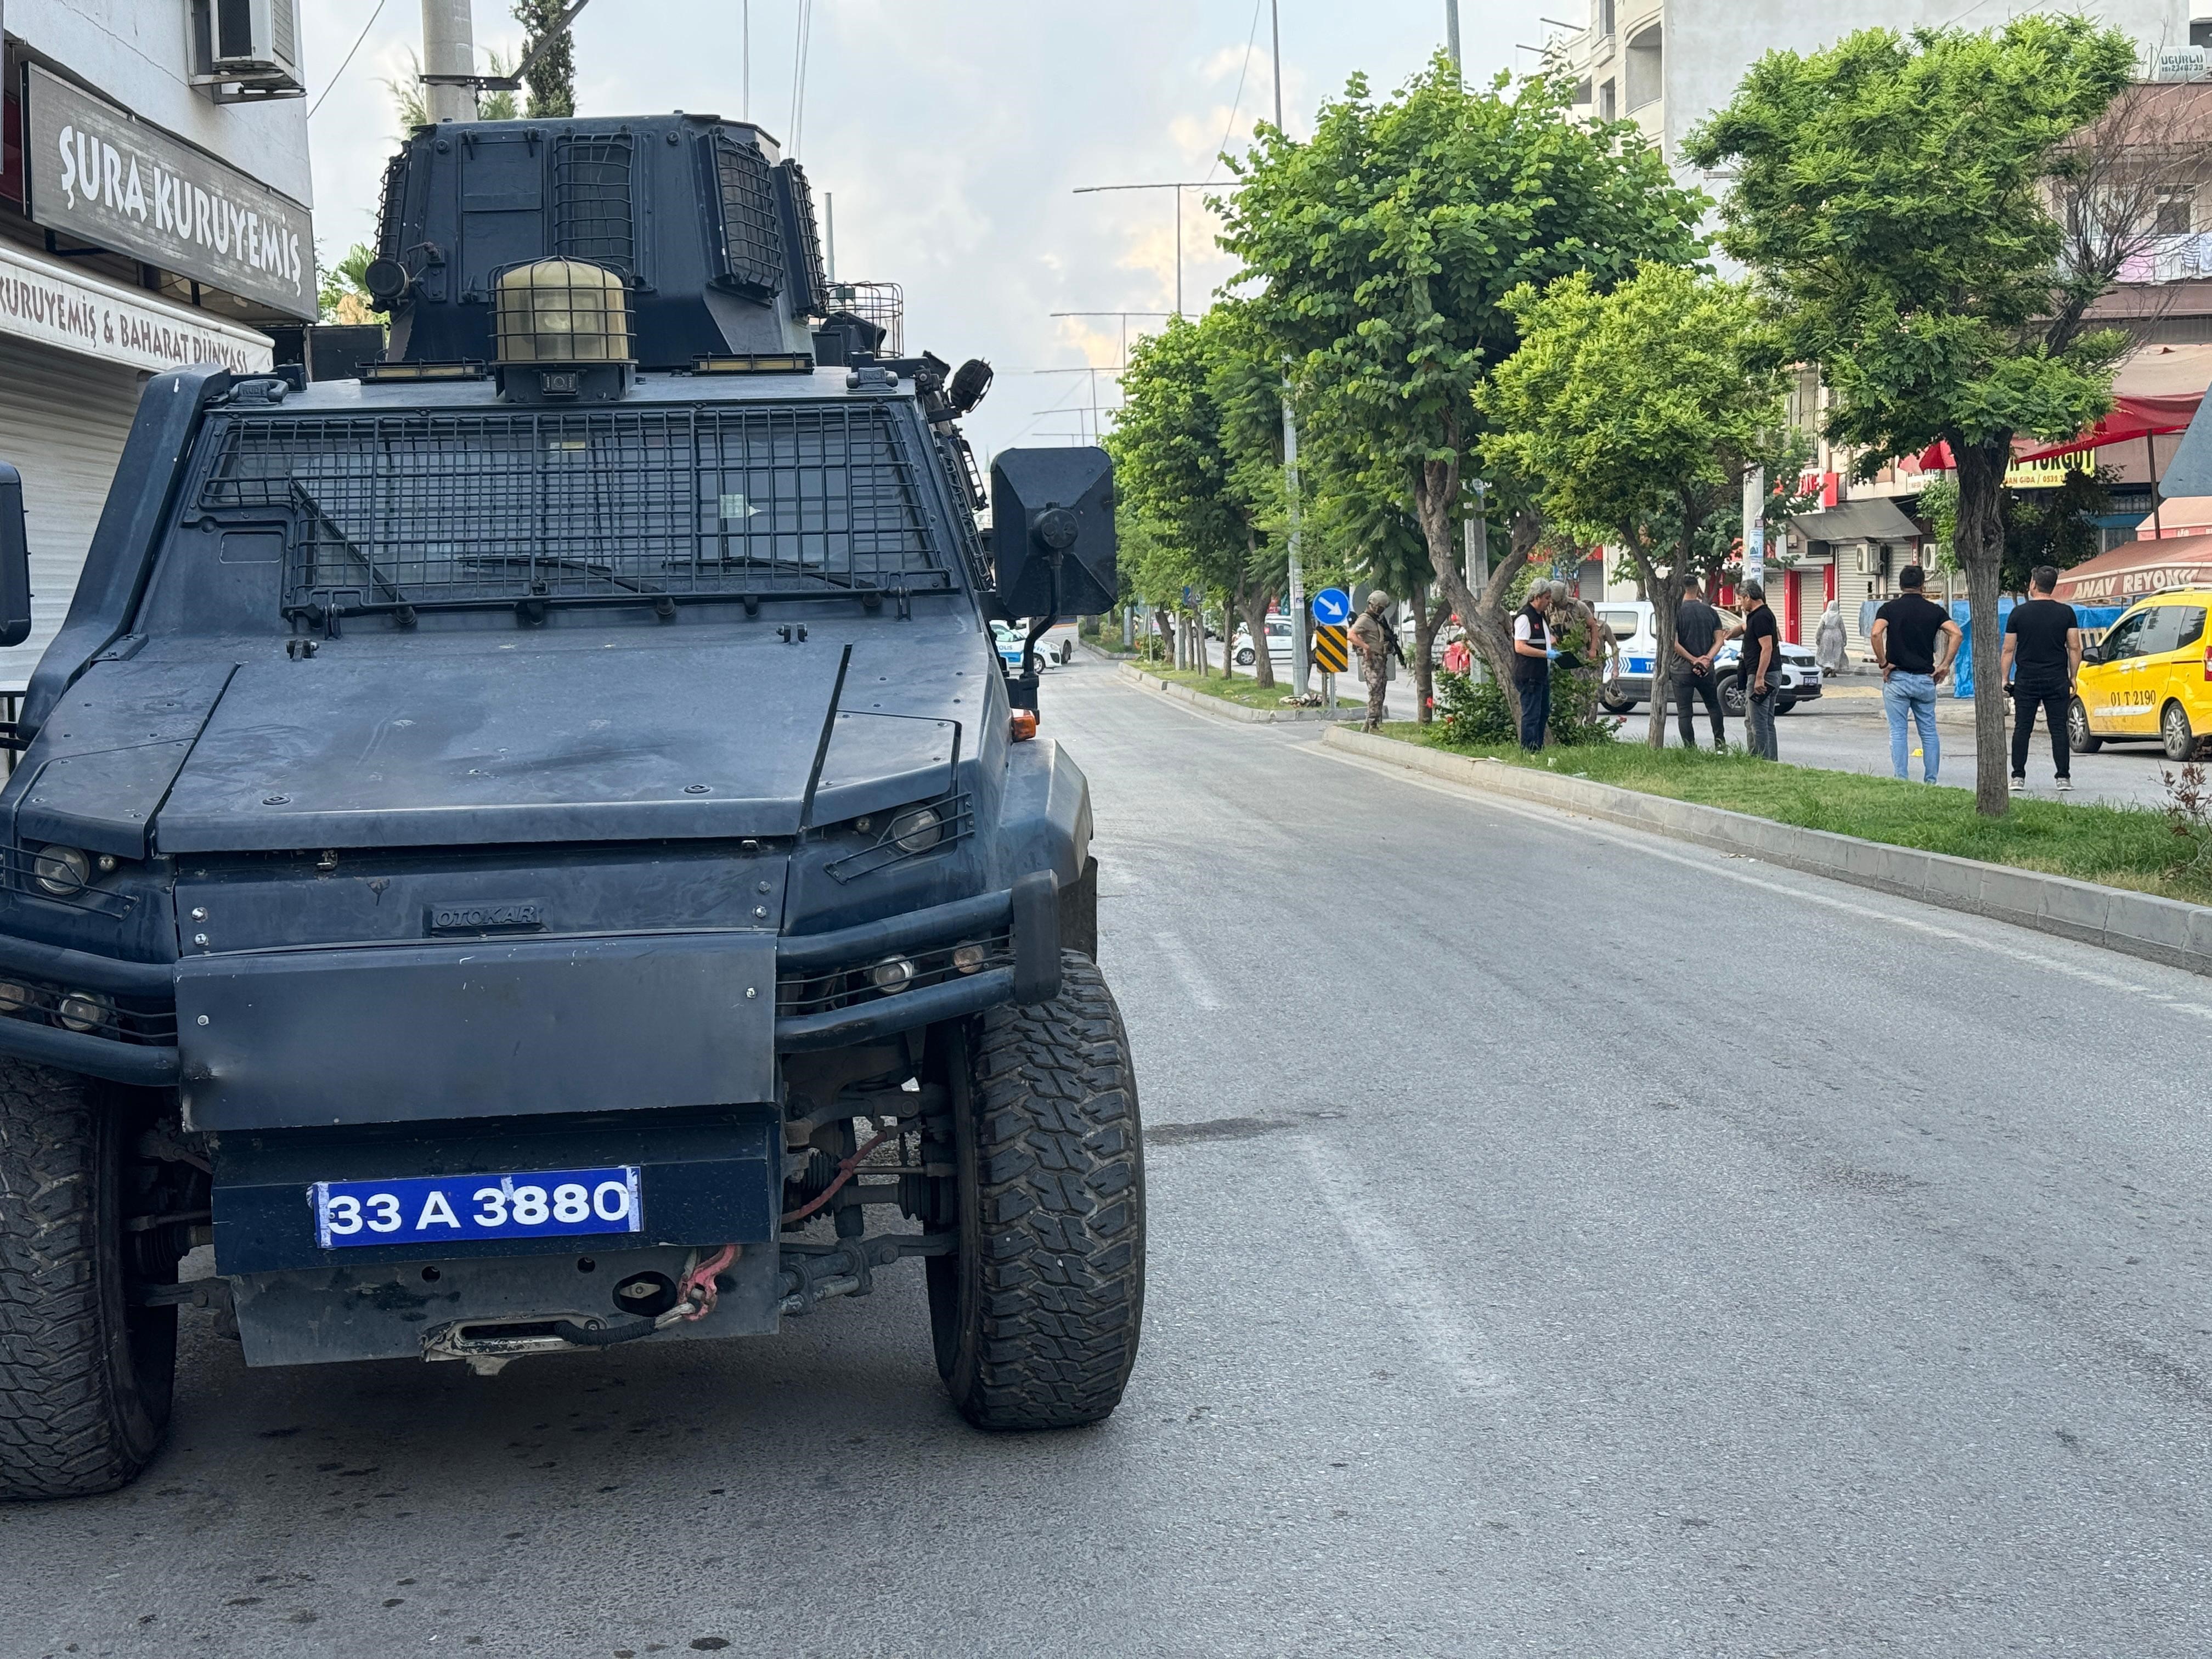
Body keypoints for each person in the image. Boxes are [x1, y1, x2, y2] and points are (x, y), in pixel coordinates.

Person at [1871, 565, 1962, 783]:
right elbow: (1957, 633)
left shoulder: (1889, 609)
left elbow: (1876, 633)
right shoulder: (1934, 611)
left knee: (1898, 731)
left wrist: (1884, 663)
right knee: (1929, 732)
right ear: (1923, 585)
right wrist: (1944, 665)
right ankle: (1931, 780)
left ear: (1901, 585)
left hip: (1898, 678)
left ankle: (1901, 779)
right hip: (1925, 679)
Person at [2002, 565, 2083, 794]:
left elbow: (2008, 650)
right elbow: (2075, 647)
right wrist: (2073, 676)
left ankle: (2018, 776)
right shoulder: (2066, 613)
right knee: (2059, 728)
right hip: (2057, 678)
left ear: (2033, 585)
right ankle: (2063, 777)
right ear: (2053, 587)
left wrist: (2004, 678)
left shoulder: (2018, 614)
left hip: (2027, 679)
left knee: (2022, 728)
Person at [1669, 578, 1728, 751]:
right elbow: (1720, 640)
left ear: (1682, 589)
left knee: (1685, 712)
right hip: (1707, 670)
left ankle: (1690, 749)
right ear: (1698, 589)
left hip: (1682, 670)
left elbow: (1674, 643)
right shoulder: (1710, 611)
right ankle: (1720, 746)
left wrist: (1693, 659)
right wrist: (1707, 659)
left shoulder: (1675, 611)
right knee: (1714, 706)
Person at [1734, 579, 1782, 760]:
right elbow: (1749, 628)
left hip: (1763, 675)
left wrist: (1759, 677)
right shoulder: (1761, 615)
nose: (1740, 603)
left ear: (1748, 597)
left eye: (1741, 599)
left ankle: (1762, 761)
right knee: (1763, 722)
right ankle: (1770, 760)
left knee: (1758, 723)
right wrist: (1735, 630)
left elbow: (1767, 647)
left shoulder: (1761, 616)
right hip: (1772, 672)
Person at [1349, 591, 1402, 733]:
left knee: (1380, 692)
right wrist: (1366, 647)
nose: (1380, 610)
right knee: (1376, 692)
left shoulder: (1377, 620)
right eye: (1378, 607)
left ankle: (1369, 723)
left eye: (1382, 608)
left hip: (1380, 659)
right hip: (1372, 661)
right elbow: (1351, 635)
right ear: (1372, 605)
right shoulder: (1365, 619)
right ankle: (1372, 725)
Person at [1511, 584, 1555, 750]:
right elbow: (1520, 647)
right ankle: (1528, 749)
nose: (1549, 602)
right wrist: (1545, 654)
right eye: (1547, 598)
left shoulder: (1540, 616)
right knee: (1531, 714)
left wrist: (1551, 648)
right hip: (1529, 674)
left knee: (1543, 713)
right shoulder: (1525, 617)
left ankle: (1538, 747)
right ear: (1536, 597)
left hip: (1541, 674)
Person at [1815, 599, 1848, 676]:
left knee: (1827, 652)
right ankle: (1833, 669)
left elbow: (1820, 627)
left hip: (1827, 635)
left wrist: (1818, 637)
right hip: (1837, 635)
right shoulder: (1839, 617)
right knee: (1836, 652)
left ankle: (1828, 667)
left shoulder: (1825, 616)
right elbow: (1843, 628)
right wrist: (1845, 639)